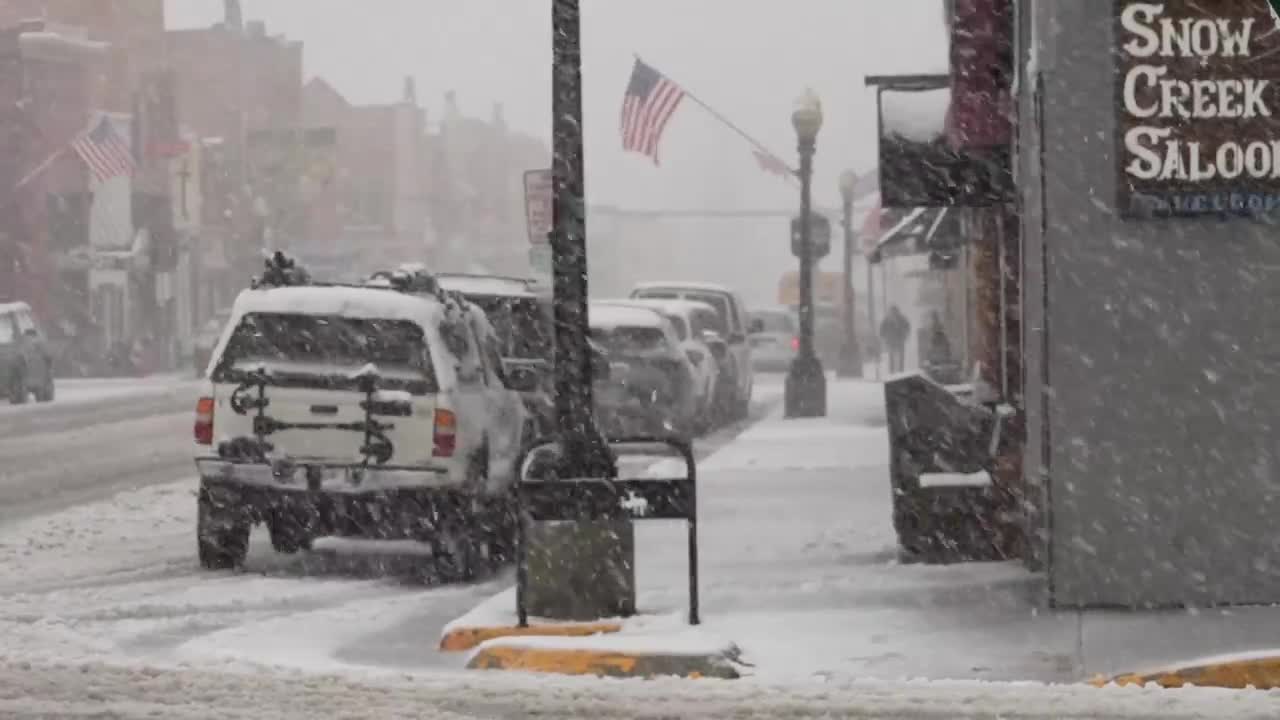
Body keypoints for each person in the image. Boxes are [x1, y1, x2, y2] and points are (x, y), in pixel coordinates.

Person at [879, 306, 910, 373]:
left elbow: (907, 327)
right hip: (894, 340)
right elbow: (882, 329)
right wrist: (883, 337)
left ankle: (898, 370)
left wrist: (905, 334)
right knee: (893, 356)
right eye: (892, 311)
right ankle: (894, 370)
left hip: (897, 340)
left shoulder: (900, 319)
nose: (893, 313)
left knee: (897, 355)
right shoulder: (888, 319)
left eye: (894, 311)